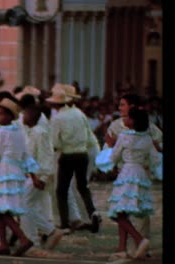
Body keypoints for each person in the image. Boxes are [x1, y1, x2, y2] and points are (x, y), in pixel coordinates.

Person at [0, 98, 36, 257]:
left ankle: (23, 238)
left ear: (10, 116)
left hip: (4, 170)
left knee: (2, 210)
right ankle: (3, 243)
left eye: (2, 114)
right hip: (15, 171)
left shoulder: (2, 132)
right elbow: (25, 153)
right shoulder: (18, 131)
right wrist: (32, 172)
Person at [104, 108, 160, 260]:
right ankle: (122, 248)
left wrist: (108, 147)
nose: (125, 119)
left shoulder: (123, 136)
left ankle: (139, 238)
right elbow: (155, 160)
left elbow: (114, 156)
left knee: (117, 211)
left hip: (127, 172)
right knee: (123, 211)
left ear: (133, 121)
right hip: (140, 174)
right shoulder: (148, 139)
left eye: (128, 117)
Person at [46, 83, 100, 233]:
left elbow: (55, 142)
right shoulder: (80, 114)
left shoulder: (57, 119)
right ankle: (93, 212)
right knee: (83, 187)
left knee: (61, 190)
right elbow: (89, 135)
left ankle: (65, 224)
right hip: (82, 154)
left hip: (67, 155)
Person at [20, 105, 64, 251]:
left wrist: (43, 177)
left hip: (38, 175)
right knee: (27, 206)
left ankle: (45, 233)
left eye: (25, 113)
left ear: (32, 115)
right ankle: (38, 237)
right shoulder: (31, 132)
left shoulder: (40, 133)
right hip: (32, 175)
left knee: (24, 205)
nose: (23, 116)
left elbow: (46, 156)